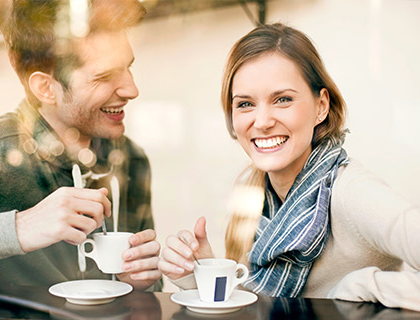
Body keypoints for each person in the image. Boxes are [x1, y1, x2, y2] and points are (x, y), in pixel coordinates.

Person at [158, 23, 420, 310]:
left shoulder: (352, 191)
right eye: (245, 104)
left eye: (282, 100)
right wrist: (203, 273)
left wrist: (362, 286)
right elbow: (257, 308)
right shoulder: (252, 188)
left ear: (321, 106)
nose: (262, 121)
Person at [0, 0, 161, 293]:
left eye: (128, 68)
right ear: (46, 88)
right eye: (104, 76)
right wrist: (19, 229)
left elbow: (149, 289)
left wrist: (144, 281)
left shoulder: (131, 159)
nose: (132, 90)